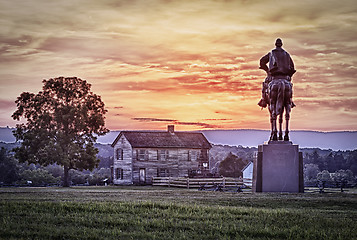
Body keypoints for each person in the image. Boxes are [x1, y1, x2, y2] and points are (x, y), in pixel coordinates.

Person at [258, 38, 296, 108]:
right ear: (281, 45)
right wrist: (289, 76)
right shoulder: (287, 54)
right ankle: (290, 101)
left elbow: (262, 61)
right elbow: (292, 68)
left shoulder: (271, 53)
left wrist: (267, 71)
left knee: (264, 85)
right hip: (285, 77)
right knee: (289, 86)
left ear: (275, 44)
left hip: (274, 76)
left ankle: (263, 100)